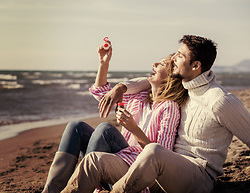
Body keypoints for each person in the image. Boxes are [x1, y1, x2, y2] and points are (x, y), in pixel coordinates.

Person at [90, 35, 250, 193]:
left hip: (199, 176)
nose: (173, 58)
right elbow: (149, 81)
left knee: (152, 151)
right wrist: (120, 87)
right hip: (167, 168)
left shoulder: (220, 100)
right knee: (98, 145)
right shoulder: (185, 87)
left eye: (180, 56)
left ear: (196, 66)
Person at [47, 41, 188, 193]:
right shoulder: (139, 96)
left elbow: (162, 155)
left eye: (161, 64)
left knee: (105, 129)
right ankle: (51, 190)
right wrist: (103, 64)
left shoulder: (169, 108)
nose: (154, 64)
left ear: (170, 77)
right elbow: (103, 96)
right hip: (118, 156)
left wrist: (134, 129)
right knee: (76, 127)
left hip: (136, 166)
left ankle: (90, 186)